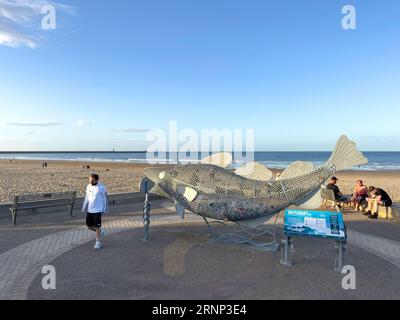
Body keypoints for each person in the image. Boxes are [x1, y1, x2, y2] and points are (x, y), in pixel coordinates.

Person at [82, 174, 108, 250]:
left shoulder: (101, 187)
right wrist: (84, 206)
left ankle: (98, 242)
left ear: (97, 180)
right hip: (90, 210)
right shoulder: (89, 186)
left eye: (92, 180)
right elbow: (87, 197)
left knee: (97, 227)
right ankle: (101, 232)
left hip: (98, 210)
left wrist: (104, 209)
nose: (91, 182)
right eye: (90, 180)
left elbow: (104, 199)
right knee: (89, 226)